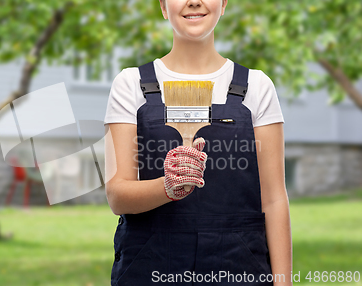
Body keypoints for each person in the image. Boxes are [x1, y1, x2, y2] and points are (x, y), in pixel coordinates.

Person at [104, 0, 293, 285]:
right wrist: (167, 186)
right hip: (150, 269)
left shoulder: (257, 87)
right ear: (164, 7)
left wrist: (283, 282)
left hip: (239, 268)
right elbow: (117, 196)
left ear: (224, 4)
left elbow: (274, 199)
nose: (194, 1)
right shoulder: (130, 85)